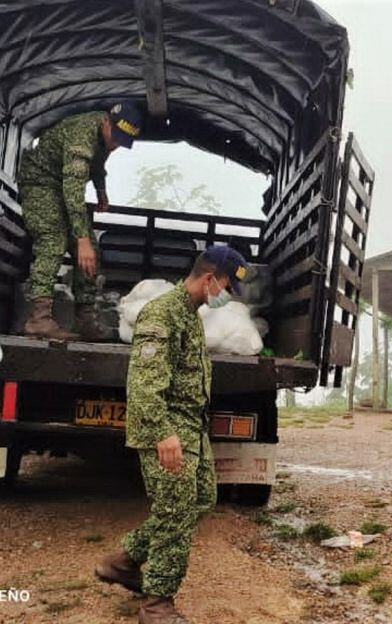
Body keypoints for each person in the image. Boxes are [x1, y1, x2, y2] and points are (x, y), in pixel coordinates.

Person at [94, 245, 250, 624]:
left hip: (191, 427)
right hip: (167, 428)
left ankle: (123, 561)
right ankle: (156, 604)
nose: (227, 296)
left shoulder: (191, 314)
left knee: (201, 500)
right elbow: (145, 384)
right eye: (227, 286)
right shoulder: (162, 314)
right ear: (210, 279)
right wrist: (163, 434)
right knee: (175, 510)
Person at [16, 102, 142, 340]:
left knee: (90, 251)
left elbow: (97, 165)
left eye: (121, 141)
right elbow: (73, 188)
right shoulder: (82, 132)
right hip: (40, 184)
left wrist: (101, 191)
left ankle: (85, 319)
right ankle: (38, 320)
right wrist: (81, 238)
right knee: (53, 240)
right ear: (106, 121)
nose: (114, 144)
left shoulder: (103, 137)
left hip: (61, 187)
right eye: (115, 137)